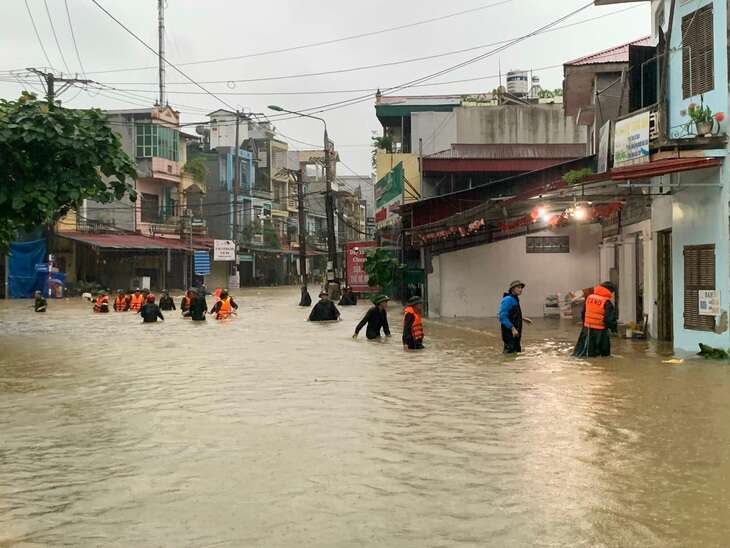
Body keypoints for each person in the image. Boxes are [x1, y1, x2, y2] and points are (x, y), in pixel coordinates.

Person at [574, 282, 618, 358]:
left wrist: (585, 324)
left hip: (587, 330)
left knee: (583, 353)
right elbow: (609, 320)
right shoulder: (606, 302)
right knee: (604, 356)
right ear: (609, 291)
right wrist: (614, 329)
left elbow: (583, 313)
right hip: (600, 332)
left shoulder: (589, 297)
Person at [498, 280, 532, 354]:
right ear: (512, 289)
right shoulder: (508, 299)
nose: (521, 290)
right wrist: (512, 328)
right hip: (509, 335)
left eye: (521, 288)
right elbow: (502, 316)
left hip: (515, 335)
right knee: (509, 356)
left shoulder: (514, 299)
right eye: (518, 287)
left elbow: (512, 314)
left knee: (515, 357)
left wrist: (522, 318)